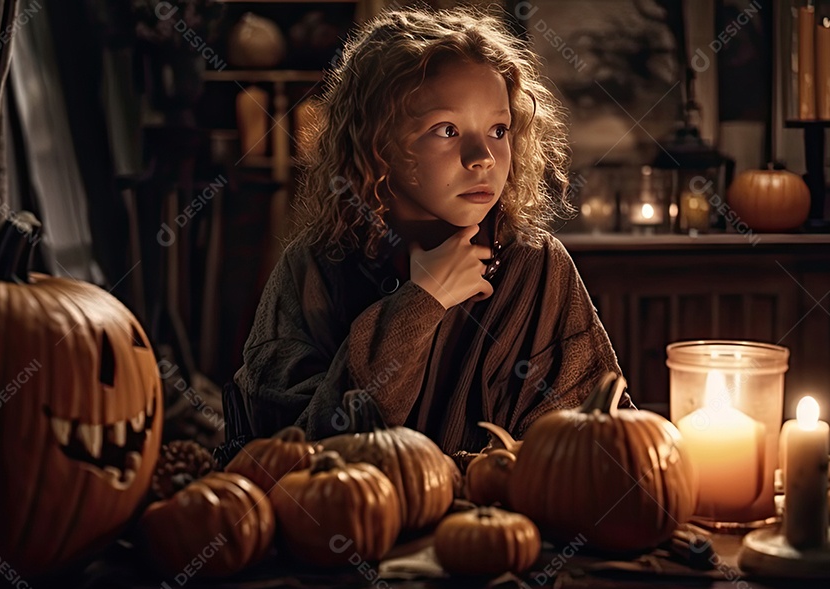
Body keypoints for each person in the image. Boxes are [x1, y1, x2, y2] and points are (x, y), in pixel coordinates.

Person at [232, 6, 631, 455]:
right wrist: (421, 302)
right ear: (376, 143)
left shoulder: (536, 264)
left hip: (504, 522)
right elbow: (291, 456)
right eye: (447, 129)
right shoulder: (312, 268)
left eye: (498, 129)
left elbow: (603, 441)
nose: (482, 156)